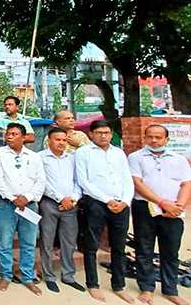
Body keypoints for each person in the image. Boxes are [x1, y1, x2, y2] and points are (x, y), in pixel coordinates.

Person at [128, 125, 191, 305]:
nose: (154, 140)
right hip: (145, 207)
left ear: (166, 139)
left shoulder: (179, 159)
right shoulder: (135, 157)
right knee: (144, 249)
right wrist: (162, 203)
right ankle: (146, 288)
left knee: (171, 251)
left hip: (173, 209)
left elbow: (186, 184)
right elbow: (137, 183)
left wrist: (179, 206)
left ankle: (170, 290)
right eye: (150, 137)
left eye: (158, 137)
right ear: (145, 138)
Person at [75, 120, 134, 303]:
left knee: (118, 246)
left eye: (107, 132)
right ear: (91, 134)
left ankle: (119, 285)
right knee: (91, 245)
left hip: (121, 204)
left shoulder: (118, 153)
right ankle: (92, 284)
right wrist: (107, 200)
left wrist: (125, 201)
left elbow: (127, 178)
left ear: (111, 134)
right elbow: (83, 181)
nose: (103, 136)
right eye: (99, 132)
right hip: (96, 203)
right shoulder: (83, 152)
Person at [0, 123, 45, 295]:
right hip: (7, 204)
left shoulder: (34, 156)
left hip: (29, 205)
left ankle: (27, 277)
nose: (9, 136)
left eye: (14, 134)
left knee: (28, 243)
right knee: (5, 242)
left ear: (23, 137)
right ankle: (6, 275)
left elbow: (40, 181)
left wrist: (26, 198)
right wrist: (13, 198)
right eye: (8, 134)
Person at [38, 127, 84, 294]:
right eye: (57, 140)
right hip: (49, 204)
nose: (61, 143)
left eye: (64, 140)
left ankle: (68, 276)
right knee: (47, 241)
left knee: (69, 242)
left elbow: (78, 181)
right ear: (49, 141)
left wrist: (73, 199)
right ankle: (49, 276)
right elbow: (41, 181)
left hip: (71, 205)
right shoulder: (40, 158)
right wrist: (60, 198)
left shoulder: (72, 158)